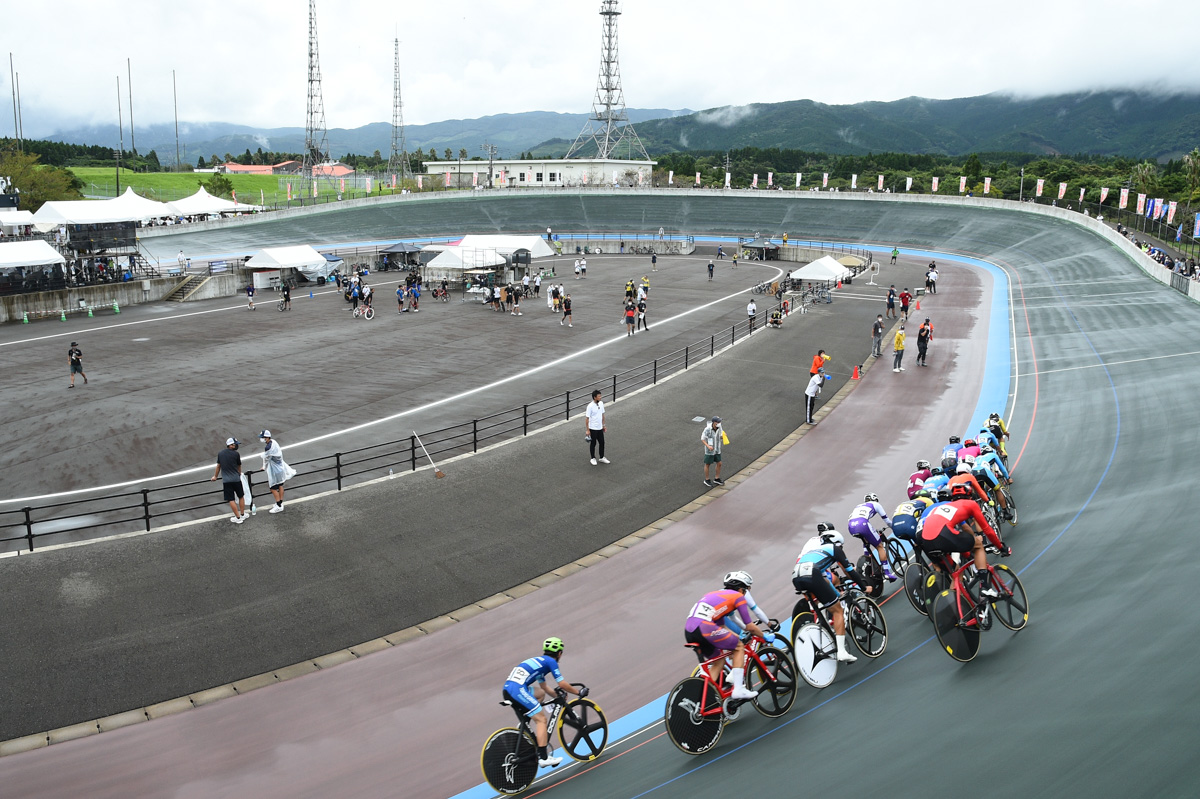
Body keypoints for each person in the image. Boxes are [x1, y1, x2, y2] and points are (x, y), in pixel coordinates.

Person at [684, 572, 772, 700]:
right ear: (741, 589)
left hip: (690, 631)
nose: (747, 593)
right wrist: (764, 636)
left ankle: (702, 698)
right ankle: (738, 690)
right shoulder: (738, 597)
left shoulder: (715, 595)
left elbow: (722, 626)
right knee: (739, 647)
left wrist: (736, 636)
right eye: (747, 589)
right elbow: (749, 626)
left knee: (719, 660)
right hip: (704, 628)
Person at [501, 637, 584, 769]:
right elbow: (562, 683)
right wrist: (578, 693)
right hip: (517, 690)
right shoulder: (551, 662)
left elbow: (544, 687)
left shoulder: (540, 662)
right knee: (541, 720)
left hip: (509, 689)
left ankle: (525, 722)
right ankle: (544, 758)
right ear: (559, 653)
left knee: (540, 694)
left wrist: (558, 696)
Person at [792, 527, 861, 663]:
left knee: (821, 596)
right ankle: (841, 651)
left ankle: (822, 620)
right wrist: (862, 584)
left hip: (797, 574)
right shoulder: (831, 547)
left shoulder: (814, 542)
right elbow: (844, 569)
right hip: (812, 572)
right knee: (837, 607)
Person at [916, 499, 1011, 596]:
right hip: (942, 535)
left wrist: (967, 553)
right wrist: (1001, 548)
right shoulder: (972, 504)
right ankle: (986, 587)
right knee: (978, 545)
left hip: (926, 541)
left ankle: (954, 606)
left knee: (956, 573)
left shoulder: (945, 507)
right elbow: (987, 530)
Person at [847, 493, 897, 581]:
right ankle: (887, 573)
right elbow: (887, 521)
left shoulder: (858, 506)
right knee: (880, 546)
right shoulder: (876, 504)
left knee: (866, 540)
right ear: (875, 499)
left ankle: (866, 560)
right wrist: (894, 528)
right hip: (863, 524)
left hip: (851, 526)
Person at [210, 437, 248, 523]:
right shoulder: (236, 454)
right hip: (236, 479)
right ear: (230, 445)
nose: (236, 446)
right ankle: (242, 514)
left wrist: (215, 476)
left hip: (226, 481)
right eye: (235, 444)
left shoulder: (220, 454)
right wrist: (239, 473)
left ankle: (238, 518)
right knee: (241, 496)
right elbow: (239, 466)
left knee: (231, 499)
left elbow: (218, 466)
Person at [258, 430, 296, 513]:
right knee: (280, 485)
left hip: (275, 470)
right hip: (280, 468)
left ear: (267, 437)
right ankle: (280, 503)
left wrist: (264, 467)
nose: (261, 439)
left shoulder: (268, 447)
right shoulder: (274, 442)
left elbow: (266, 458)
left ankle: (278, 505)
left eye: (262, 437)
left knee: (272, 488)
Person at [584, 389, 607, 464]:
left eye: (600, 396)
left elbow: (602, 415)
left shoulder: (601, 403)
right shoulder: (590, 406)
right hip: (593, 428)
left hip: (600, 427)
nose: (600, 397)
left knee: (602, 442)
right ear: (595, 397)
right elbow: (587, 419)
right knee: (593, 443)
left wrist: (604, 425)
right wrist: (587, 430)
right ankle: (592, 458)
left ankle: (602, 457)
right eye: (599, 396)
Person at [701, 416, 725, 487]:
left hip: (717, 449)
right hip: (710, 450)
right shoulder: (707, 429)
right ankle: (707, 479)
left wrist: (723, 436)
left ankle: (716, 478)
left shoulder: (719, 427)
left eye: (719, 422)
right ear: (714, 422)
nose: (719, 423)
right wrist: (708, 446)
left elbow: (720, 436)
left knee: (719, 463)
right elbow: (702, 439)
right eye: (718, 422)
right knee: (708, 464)